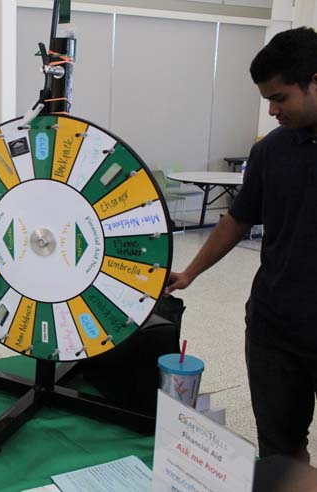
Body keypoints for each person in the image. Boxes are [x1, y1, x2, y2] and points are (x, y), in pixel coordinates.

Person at [167, 27, 317, 461]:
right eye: (266, 99)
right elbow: (237, 219)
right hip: (275, 328)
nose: (271, 110)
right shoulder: (272, 151)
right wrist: (190, 272)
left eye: (280, 98)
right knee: (279, 447)